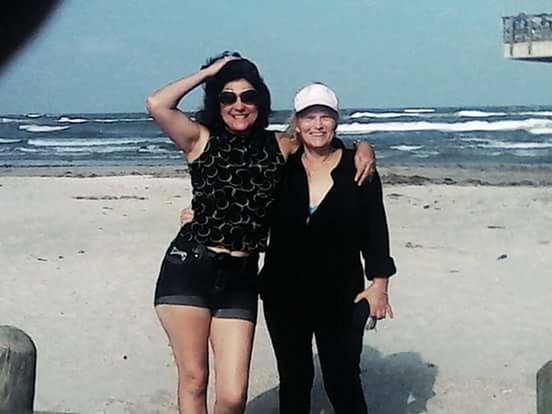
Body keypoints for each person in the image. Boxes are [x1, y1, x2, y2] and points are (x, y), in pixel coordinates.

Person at [145, 53, 375, 414]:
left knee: (233, 396)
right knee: (194, 379)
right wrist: (210, 72)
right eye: (228, 96)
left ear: (261, 102)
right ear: (216, 102)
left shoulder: (279, 146)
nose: (239, 105)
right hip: (191, 268)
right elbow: (157, 103)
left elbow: (320, 137)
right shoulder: (199, 139)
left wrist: (364, 148)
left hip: (242, 278)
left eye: (248, 96)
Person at [259, 83, 397, 414]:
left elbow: (375, 230)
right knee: (294, 379)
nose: (317, 125)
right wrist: (200, 211)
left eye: (325, 116)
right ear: (296, 121)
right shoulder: (279, 165)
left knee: (342, 380)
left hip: (341, 293)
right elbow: (236, 183)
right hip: (283, 291)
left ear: (336, 121)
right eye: (309, 117)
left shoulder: (358, 167)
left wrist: (380, 286)